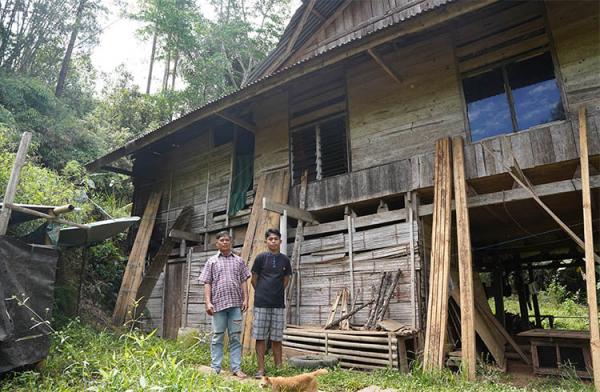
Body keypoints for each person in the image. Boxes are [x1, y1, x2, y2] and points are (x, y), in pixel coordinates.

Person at [199, 231, 251, 378]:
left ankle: (236, 368)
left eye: (227, 240)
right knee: (217, 337)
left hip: (235, 305)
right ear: (217, 243)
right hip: (218, 305)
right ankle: (215, 368)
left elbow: (243, 281)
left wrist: (246, 299)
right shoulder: (212, 261)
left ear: (231, 242)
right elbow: (207, 283)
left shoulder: (239, 261)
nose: (225, 242)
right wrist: (208, 302)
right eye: (222, 240)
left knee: (235, 337)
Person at [251, 228, 292, 378]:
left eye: (276, 239)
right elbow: (254, 279)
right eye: (270, 239)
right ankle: (261, 369)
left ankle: (278, 368)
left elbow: (286, 280)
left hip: (278, 304)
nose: (273, 241)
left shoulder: (285, 260)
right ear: (266, 242)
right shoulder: (260, 258)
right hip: (261, 303)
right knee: (260, 337)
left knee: (276, 337)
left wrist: (276, 292)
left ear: (280, 241)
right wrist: (262, 291)